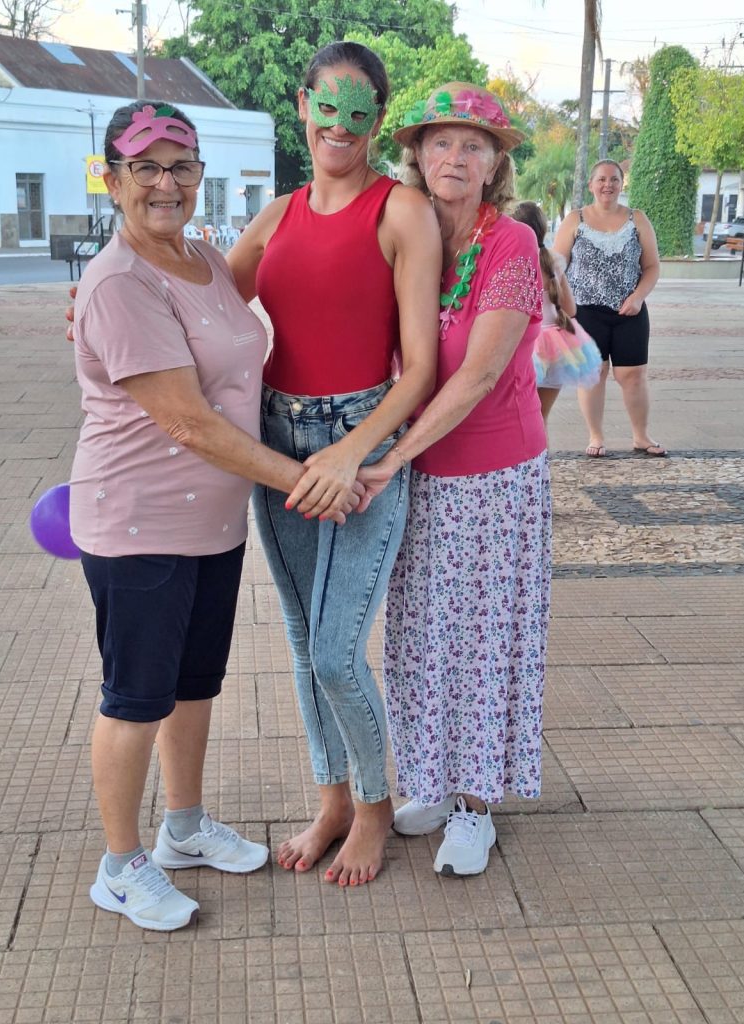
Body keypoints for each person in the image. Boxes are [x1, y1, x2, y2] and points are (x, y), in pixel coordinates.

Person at [70, 100, 362, 931]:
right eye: (146, 168)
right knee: (136, 696)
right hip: (139, 523)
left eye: (182, 167)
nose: (166, 184)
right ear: (113, 180)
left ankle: (184, 828)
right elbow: (190, 422)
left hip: (211, 523)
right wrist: (307, 478)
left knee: (193, 685)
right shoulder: (118, 282)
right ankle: (119, 867)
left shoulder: (200, 256)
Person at [225, 42, 442, 886]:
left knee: (336, 651)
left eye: (359, 113)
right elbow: (204, 308)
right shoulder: (275, 216)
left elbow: (420, 367)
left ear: (377, 121)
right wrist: (106, 303)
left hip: (366, 442)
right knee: (301, 635)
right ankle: (333, 800)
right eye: (327, 107)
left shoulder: (402, 211)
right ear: (303, 107)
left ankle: (376, 805)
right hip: (277, 440)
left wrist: (352, 452)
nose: (339, 127)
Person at [349, 83, 552, 877]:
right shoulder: (409, 231)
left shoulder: (512, 244)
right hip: (420, 478)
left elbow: (477, 376)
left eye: (474, 145)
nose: (456, 157)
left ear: (496, 163)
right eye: (441, 142)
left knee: (480, 642)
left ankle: (475, 806)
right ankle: (431, 782)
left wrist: (390, 457)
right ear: (418, 154)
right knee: (419, 637)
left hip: (492, 482)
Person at [553, 160, 665, 457]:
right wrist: (561, 306)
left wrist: (638, 297)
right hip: (586, 312)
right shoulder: (574, 220)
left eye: (614, 179)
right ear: (591, 184)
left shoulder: (637, 219)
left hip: (630, 311)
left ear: (621, 183)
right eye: (601, 179)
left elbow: (652, 267)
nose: (608, 185)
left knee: (633, 375)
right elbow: (557, 266)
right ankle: (596, 437)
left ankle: (641, 436)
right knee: (594, 374)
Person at [512, 201, 602, 424]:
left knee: (521, 416)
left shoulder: (514, 262)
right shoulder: (554, 261)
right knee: (541, 416)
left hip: (526, 346)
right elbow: (570, 309)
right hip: (559, 347)